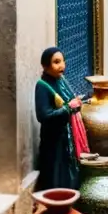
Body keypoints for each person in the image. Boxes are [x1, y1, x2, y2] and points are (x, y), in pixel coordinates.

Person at [34, 47, 83, 190]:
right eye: (56, 62)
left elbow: (70, 101)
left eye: (62, 61)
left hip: (66, 138)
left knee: (67, 174)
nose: (62, 66)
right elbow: (43, 116)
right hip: (53, 141)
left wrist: (76, 103)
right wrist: (68, 108)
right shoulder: (42, 86)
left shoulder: (61, 81)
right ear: (45, 65)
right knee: (55, 175)